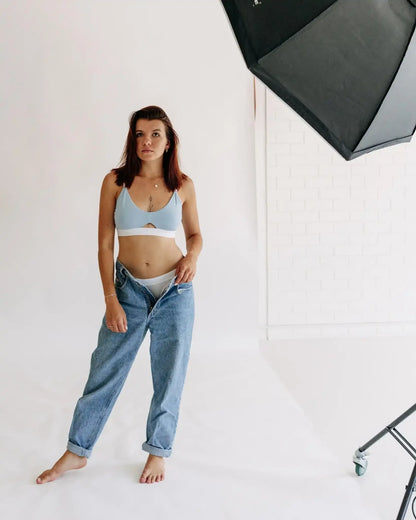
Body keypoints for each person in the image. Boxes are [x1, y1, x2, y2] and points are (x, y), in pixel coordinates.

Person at [36, 105, 202, 485]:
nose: (147, 141)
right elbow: (104, 244)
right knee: (104, 371)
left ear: (168, 141)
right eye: (140, 134)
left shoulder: (183, 185)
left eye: (155, 134)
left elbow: (195, 235)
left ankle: (158, 452)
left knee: (170, 375)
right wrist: (111, 298)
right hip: (128, 291)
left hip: (175, 292)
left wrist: (192, 256)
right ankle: (77, 451)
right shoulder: (115, 182)